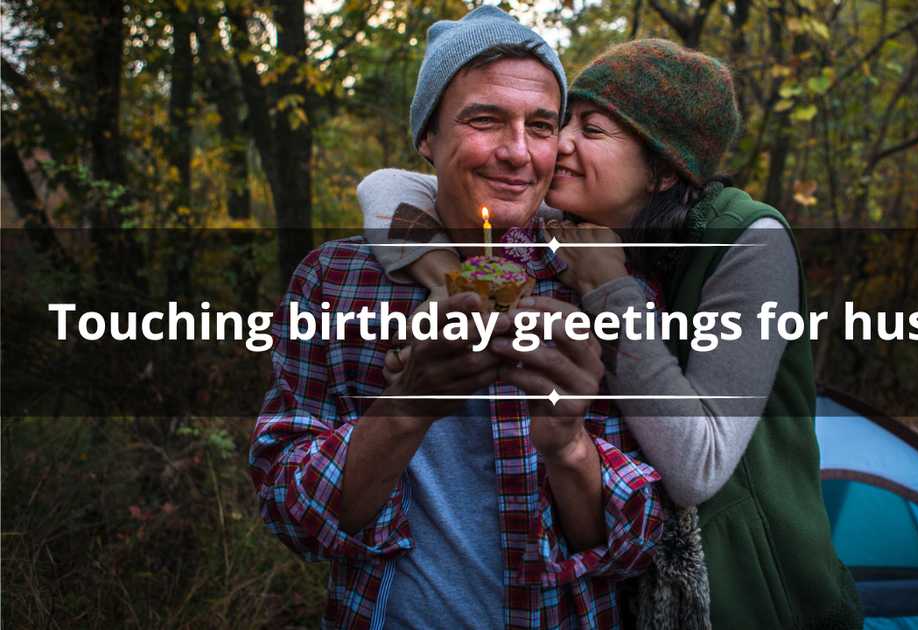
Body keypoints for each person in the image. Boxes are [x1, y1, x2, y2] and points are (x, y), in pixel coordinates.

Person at [360, 39, 862, 629]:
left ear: (665, 171)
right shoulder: (578, 219)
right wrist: (449, 286)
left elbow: (697, 467)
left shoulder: (750, 241)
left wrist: (610, 290)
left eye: (591, 129)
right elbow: (385, 188)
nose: (558, 143)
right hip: (627, 572)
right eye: (563, 121)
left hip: (754, 585)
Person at [249, 8, 663, 630]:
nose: (517, 152)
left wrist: (568, 445)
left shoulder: (598, 286)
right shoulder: (334, 282)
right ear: (428, 137)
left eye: (540, 126)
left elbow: (633, 545)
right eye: (484, 119)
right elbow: (289, 512)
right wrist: (405, 408)